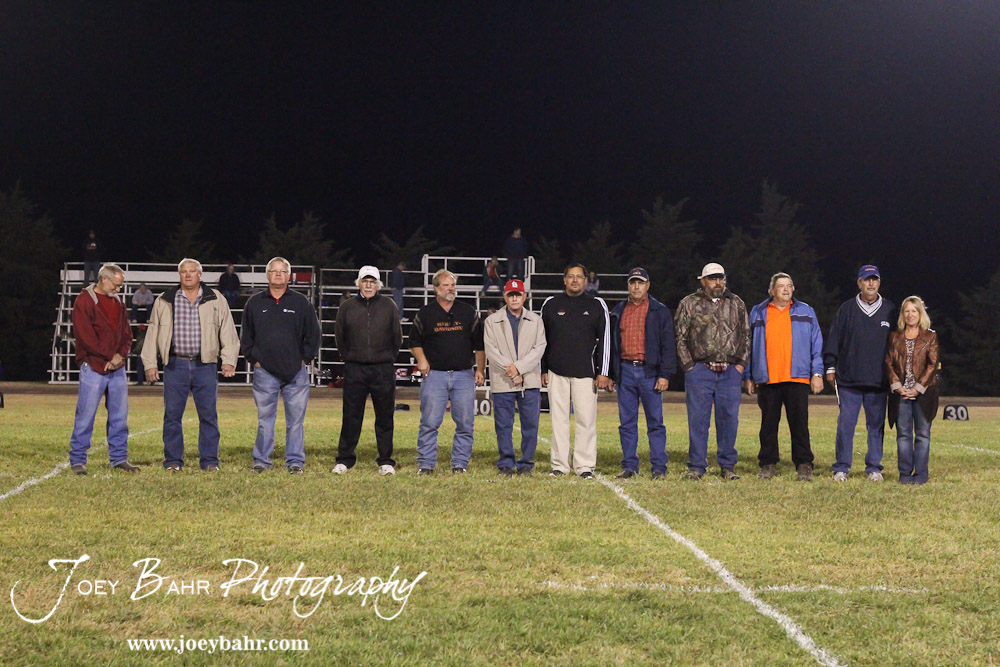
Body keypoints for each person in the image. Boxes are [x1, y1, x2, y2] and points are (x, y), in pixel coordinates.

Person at [141, 258, 239, 471]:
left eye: (192, 271)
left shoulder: (216, 298)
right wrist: (150, 363)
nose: (187, 275)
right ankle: (173, 461)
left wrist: (229, 361)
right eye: (184, 271)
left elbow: (228, 331)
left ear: (199, 275)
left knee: (208, 415)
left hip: (205, 365)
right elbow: (152, 332)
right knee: (172, 416)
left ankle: (210, 462)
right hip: (175, 365)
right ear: (179, 275)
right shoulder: (165, 300)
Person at [240, 257, 321, 474]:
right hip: (265, 372)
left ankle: (295, 461)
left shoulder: (301, 303)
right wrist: (254, 359)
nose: (278, 274)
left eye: (282, 271)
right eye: (274, 271)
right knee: (265, 420)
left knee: (295, 421)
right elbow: (246, 336)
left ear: (289, 276)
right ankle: (261, 461)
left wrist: (304, 359)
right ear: (267, 275)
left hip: (295, 373)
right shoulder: (254, 303)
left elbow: (313, 334)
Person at [743, 273, 825, 481]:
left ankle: (804, 463)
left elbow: (816, 344)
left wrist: (817, 373)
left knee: (800, 424)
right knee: (768, 425)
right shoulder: (758, 312)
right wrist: (748, 375)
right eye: (781, 286)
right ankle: (768, 463)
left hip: (797, 377)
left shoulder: (806, 311)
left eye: (789, 285)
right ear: (771, 291)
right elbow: (748, 345)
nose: (786, 289)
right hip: (768, 378)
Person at [674, 262, 750, 480]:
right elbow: (680, 337)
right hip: (700, 371)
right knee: (698, 421)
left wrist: (740, 365)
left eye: (721, 278)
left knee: (729, 420)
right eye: (713, 278)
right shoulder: (689, 303)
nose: (718, 282)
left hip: (729, 372)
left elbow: (746, 335)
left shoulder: (736, 303)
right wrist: (689, 367)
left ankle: (727, 466)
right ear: (703, 281)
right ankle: (697, 466)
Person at [824, 265, 896, 482]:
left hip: (878, 380)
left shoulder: (890, 310)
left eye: (874, 279)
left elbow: (898, 345)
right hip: (849, 380)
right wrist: (830, 366)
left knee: (876, 427)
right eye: (867, 280)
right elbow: (834, 338)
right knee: (845, 426)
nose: (871, 284)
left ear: (879, 283)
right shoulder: (846, 309)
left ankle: (874, 467)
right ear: (859, 283)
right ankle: (842, 467)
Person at [410, 269, 486, 474]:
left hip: (464, 375)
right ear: (436, 288)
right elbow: (414, 341)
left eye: (453, 285)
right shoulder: (425, 313)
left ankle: (460, 464)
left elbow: (480, 345)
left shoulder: (468, 311)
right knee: (429, 423)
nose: (451, 288)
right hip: (435, 375)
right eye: (446, 285)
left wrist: (480, 369)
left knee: (465, 423)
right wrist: (421, 360)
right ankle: (426, 464)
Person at [540, 263, 611, 478]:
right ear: (564, 280)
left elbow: (606, 340)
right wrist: (543, 369)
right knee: (558, 421)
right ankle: (560, 465)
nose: (575, 280)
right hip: (556, 372)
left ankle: (585, 466)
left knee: (586, 421)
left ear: (585, 281)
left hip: (586, 374)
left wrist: (603, 371)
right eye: (570, 276)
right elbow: (541, 340)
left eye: (579, 276)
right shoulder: (551, 304)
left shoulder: (597, 304)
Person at [68, 263, 139, 474]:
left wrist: (120, 356)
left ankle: (119, 458)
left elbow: (127, 335)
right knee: (85, 416)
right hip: (93, 366)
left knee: (119, 416)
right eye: (116, 285)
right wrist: (110, 356)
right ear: (104, 280)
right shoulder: (84, 300)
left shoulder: (119, 302)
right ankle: (78, 460)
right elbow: (86, 337)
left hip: (116, 367)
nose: (118, 289)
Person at [332, 266, 403, 476]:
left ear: (378, 284)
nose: (369, 285)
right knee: (351, 416)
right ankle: (345, 459)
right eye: (365, 281)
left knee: (385, 416)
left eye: (373, 282)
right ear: (359, 283)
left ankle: (386, 461)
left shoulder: (389, 305)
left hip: (382, 369)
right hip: (355, 368)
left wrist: (386, 358)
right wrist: (350, 356)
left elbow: (397, 337)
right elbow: (339, 336)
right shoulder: (347, 307)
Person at [609, 268, 676, 479]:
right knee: (627, 423)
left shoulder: (659, 311)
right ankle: (629, 466)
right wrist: (612, 373)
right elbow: (612, 345)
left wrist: (664, 374)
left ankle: (658, 467)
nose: (636, 286)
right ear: (628, 285)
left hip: (650, 372)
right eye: (633, 282)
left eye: (640, 282)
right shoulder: (618, 310)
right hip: (626, 371)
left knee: (655, 422)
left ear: (648, 285)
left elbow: (668, 344)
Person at [483, 279, 547, 476]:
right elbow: (491, 351)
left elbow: (539, 348)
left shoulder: (536, 320)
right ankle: (506, 463)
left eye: (518, 295)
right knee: (503, 425)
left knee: (530, 425)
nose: (514, 298)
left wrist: (519, 369)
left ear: (524, 296)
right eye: (511, 295)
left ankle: (526, 463)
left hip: (530, 380)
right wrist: (511, 371)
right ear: (505, 297)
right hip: (503, 380)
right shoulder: (492, 321)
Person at [885, 296, 939, 485]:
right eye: (906, 311)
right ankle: (905, 474)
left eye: (914, 311)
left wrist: (917, 388)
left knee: (923, 435)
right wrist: (898, 386)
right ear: (902, 314)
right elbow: (888, 362)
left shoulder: (930, 336)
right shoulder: (894, 336)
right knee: (903, 435)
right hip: (901, 394)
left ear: (920, 313)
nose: (910, 314)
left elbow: (932, 365)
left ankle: (921, 475)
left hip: (924, 394)